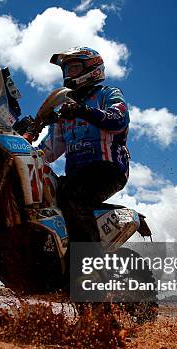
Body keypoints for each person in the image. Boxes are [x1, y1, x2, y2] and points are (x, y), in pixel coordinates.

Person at [39, 46, 130, 243]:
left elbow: (118, 119)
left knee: (74, 197)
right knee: (45, 196)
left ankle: (88, 264)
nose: (68, 74)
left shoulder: (108, 93)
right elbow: (49, 149)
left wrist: (83, 111)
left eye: (73, 69)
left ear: (92, 69)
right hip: (76, 175)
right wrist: (24, 148)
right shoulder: (66, 109)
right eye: (66, 70)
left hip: (108, 168)